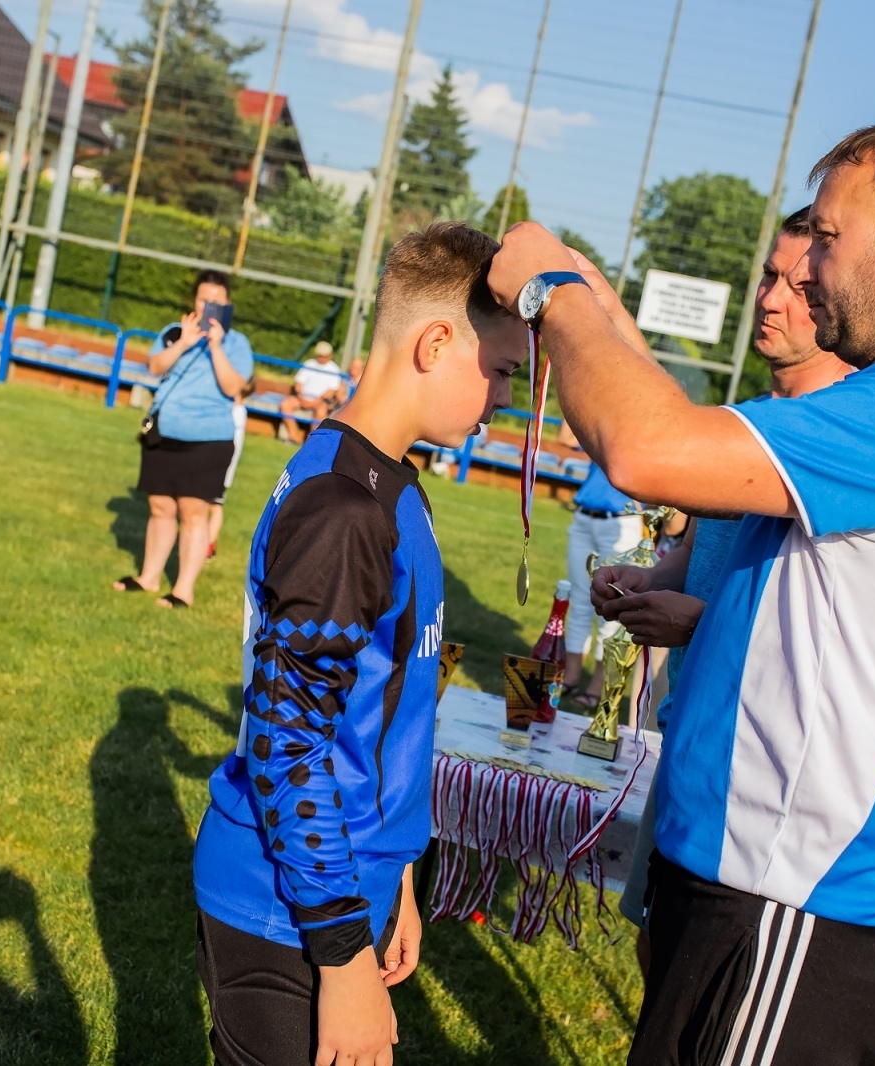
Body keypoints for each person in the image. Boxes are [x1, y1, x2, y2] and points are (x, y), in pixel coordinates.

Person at [488, 120, 875, 1065]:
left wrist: (555, 292)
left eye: (827, 238)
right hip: (746, 880)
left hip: (796, 901)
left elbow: (646, 447)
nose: (811, 268)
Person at [191, 221, 528, 1066]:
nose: (505, 399)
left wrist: (400, 877)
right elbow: (288, 744)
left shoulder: (388, 485)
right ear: (435, 342)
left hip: (345, 885)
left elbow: (377, 718)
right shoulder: (346, 509)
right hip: (290, 913)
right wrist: (342, 959)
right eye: (500, 372)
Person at [601, 206, 853, 978]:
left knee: (708, 981)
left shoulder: (839, 436)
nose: (771, 299)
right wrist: (652, 582)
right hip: (689, 728)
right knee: (657, 944)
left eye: (799, 285)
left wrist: (700, 625)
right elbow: (704, 552)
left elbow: (823, 634)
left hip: (761, 769)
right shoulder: (749, 421)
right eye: (769, 277)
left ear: (840, 295)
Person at [113, 269, 254, 608]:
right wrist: (185, 343)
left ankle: (182, 591)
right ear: (195, 300)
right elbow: (155, 367)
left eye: (217, 301)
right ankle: (148, 577)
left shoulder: (237, 343)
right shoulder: (174, 332)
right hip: (165, 434)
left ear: (228, 305)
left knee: (194, 513)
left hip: (208, 439)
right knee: (160, 507)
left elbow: (234, 387)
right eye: (204, 299)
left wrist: (215, 346)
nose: (209, 306)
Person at [556, 425, 642, 709]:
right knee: (579, 600)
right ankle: (571, 676)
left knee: (610, 605)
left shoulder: (642, 423)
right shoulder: (606, 418)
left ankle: (598, 684)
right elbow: (566, 438)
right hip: (584, 519)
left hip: (622, 522)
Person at [280, 340, 350, 443]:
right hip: (302, 398)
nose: (321, 357)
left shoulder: (334, 369)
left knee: (321, 412)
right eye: (320, 355)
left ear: (329, 355)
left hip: (321, 402)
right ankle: (293, 436)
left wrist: (314, 402)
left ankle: (310, 441)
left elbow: (331, 392)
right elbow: (298, 383)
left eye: (324, 355)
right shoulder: (309, 364)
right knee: (285, 404)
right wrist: (301, 397)